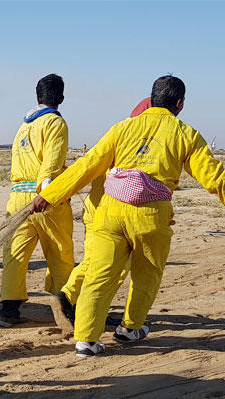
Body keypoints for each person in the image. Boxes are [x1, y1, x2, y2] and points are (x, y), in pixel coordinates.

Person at [31, 75, 225, 358]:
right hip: (151, 216)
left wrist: (50, 195)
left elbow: (88, 165)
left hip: (111, 212)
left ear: (152, 99)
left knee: (99, 275)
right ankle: (130, 328)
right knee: (146, 274)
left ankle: (86, 341)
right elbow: (216, 178)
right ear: (179, 104)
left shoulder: (122, 128)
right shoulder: (186, 134)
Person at [53, 98, 151, 328]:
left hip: (96, 210)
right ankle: (70, 300)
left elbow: (87, 166)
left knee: (94, 261)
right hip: (111, 214)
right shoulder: (138, 142)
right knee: (111, 267)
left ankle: (79, 304)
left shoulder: (116, 134)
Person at [0, 74, 73, 327]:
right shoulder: (55, 123)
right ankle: (64, 304)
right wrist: (47, 194)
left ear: (37, 97)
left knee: (15, 253)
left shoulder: (23, 126)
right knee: (60, 252)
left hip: (17, 197)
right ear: (61, 97)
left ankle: (8, 310)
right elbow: (51, 163)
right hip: (44, 198)